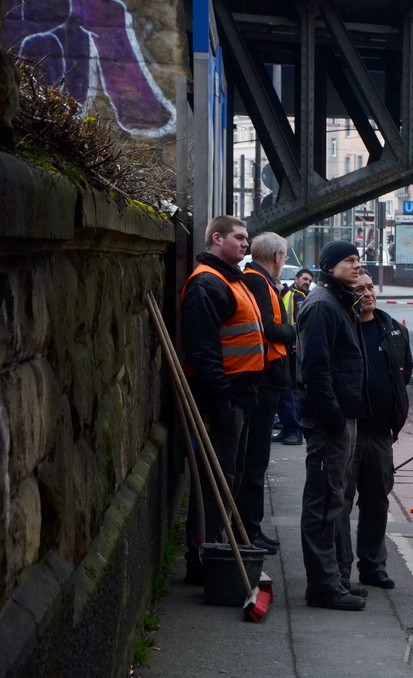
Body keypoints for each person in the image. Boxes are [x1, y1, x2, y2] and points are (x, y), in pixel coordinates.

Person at [180, 215, 265, 584]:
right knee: (218, 477)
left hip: (240, 394)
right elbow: (203, 349)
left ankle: (216, 548)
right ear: (217, 238)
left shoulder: (232, 280)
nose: (246, 244)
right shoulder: (207, 284)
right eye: (240, 238)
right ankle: (203, 556)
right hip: (224, 395)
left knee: (230, 475)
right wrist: (222, 396)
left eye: (247, 239)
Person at [297, 241, 370, 611]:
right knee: (324, 502)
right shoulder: (323, 305)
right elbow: (315, 369)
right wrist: (335, 420)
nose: (357, 266)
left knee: (335, 500)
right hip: (331, 422)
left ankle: (334, 579)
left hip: (342, 418)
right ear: (329, 266)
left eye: (358, 260)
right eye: (349, 260)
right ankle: (323, 586)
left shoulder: (337, 301)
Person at [336, 271, 412, 590]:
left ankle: (372, 565)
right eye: (359, 289)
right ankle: (339, 569)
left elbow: (403, 374)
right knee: (340, 502)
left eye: (370, 287)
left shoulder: (392, 329)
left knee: (376, 501)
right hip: (346, 431)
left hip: (380, 433)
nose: (367, 293)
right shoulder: (340, 328)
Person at [238, 232, 295, 555]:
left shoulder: (256, 280)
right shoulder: (259, 282)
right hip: (263, 379)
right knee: (255, 459)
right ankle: (249, 528)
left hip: (262, 378)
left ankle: (250, 526)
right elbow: (269, 329)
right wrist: (293, 333)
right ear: (277, 257)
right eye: (284, 258)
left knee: (254, 457)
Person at [273, 268, 312, 446]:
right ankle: (288, 428)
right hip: (288, 346)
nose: (307, 282)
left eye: (309, 280)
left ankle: (294, 430)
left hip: (292, 348)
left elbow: (303, 323)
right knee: (285, 390)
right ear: (296, 279)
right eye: (304, 278)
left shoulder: (299, 296)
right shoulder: (294, 295)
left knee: (291, 391)